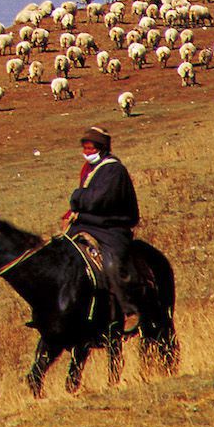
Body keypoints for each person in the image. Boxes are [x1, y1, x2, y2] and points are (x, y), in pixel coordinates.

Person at [63, 125, 138, 326]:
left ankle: (127, 309)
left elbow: (96, 201)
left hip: (111, 227)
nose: (87, 153)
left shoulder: (114, 170)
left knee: (112, 264)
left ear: (102, 148)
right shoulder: (90, 169)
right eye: (85, 149)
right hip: (86, 224)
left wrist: (76, 196)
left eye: (91, 149)